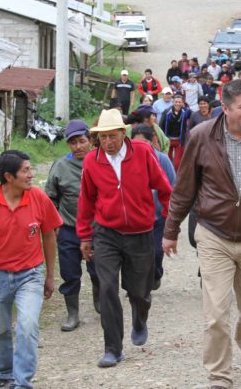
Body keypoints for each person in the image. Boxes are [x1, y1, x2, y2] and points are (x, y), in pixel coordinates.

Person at [163, 79, 241, 389]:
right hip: (214, 235)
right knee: (216, 314)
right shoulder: (201, 136)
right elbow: (184, 188)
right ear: (226, 108)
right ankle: (220, 377)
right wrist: (171, 229)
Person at [77, 109, 172, 368]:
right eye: (103, 137)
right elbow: (86, 201)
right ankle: (113, 348)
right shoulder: (92, 161)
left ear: (123, 133)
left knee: (139, 292)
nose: (108, 142)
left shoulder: (142, 153)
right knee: (107, 287)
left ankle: (140, 317)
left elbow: (164, 189)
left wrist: (169, 223)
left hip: (140, 233)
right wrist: (85, 236)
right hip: (106, 234)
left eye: (113, 136)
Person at [0, 150, 60, 388]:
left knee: (27, 326)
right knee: (0, 331)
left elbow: (49, 235)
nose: (31, 175)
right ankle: (5, 376)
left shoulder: (38, 198)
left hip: (30, 275)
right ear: (8, 176)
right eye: (25, 170)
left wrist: (49, 275)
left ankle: (22, 382)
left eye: (30, 169)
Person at [45, 121, 100, 332]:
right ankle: (73, 314)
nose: (77, 147)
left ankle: (100, 299)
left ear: (90, 141)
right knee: (70, 273)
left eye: (81, 141)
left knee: (98, 270)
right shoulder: (60, 166)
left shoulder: (100, 162)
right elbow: (51, 198)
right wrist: (54, 224)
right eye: (73, 143)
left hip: (97, 229)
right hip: (69, 229)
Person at [131, 124, 176, 291]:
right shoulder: (127, 160)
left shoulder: (162, 159)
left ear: (153, 141)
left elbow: (172, 187)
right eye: (135, 143)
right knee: (135, 255)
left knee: (156, 252)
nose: (139, 147)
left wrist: (171, 219)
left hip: (158, 217)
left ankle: (156, 274)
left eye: (144, 143)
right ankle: (138, 284)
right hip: (135, 219)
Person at [160, 95, 191, 172]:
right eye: (176, 102)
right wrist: (161, 138)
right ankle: (168, 176)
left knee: (177, 163)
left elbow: (194, 118)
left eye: (179, 102)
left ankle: (176, 179)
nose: (177, 104)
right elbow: (161, 125)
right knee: (168, 160)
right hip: (168, 140)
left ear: (182, 103)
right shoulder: (167, 112)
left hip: (179, 141)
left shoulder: (186, 112)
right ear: (173, 102)